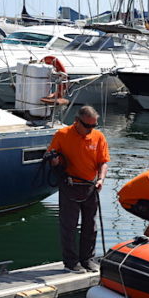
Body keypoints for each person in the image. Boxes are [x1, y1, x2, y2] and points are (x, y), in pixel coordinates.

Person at [48, 105, 110, 273]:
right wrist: (54, 161)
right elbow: (52, 155)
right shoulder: (62, 135)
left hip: (90, 186)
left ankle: (88, 259)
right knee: (69, 225)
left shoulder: (98, 137)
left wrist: (101, 179)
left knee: (90, 224)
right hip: (69, 185)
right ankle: (71, 262)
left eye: (94, 126)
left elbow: (103, 161)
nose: (91, 129)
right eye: (88, 126)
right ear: (76, 122)